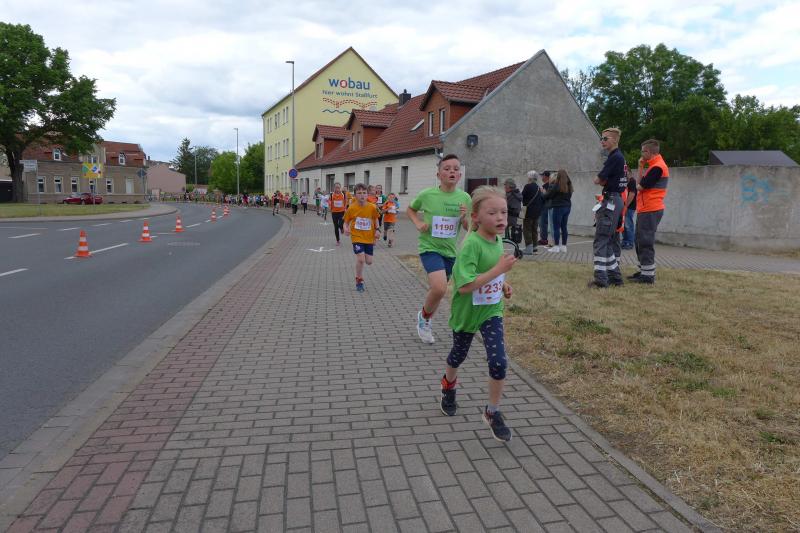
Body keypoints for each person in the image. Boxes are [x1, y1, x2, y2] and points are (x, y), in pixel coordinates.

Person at [439, 186, 517, 442]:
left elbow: (491, 271)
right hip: (467, 313)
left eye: (504, 212)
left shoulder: (497, 241)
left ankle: (492, 412)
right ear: (476, 217)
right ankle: (448, 386)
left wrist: (503, 284)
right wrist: (499, 271)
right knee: (458, 355)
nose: (500, 217)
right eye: (492, 213)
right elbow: (464, 286)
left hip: (491, 311)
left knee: (499, 361)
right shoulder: (471, 245)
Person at [407, 154, 471, 344]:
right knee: (440, 287)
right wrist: (418, 223)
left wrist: (464, 218)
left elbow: (469, 227)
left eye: (456, 169)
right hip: (429, 248)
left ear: (459, 175)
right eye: (447, 168)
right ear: (438, 174)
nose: (452, 171)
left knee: (438, 292)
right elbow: (411, 209)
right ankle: (424, 319)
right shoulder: (427, 194)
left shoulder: (465, 198)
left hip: (450, 252)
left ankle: (426, 317)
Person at [589, 128, 627, 288]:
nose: (602, 141)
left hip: (610, 201)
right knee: (608, 241)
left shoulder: (614, 157)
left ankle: (600, 280)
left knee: (600, 240)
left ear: (615, 140)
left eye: (606, 138)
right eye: (601, 138)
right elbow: (604, 180)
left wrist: (600, 179)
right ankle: (615, 278)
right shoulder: (619, 157)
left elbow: (599, 180)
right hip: (616, 200)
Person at [630, 139, 669, 284]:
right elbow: (640, 184)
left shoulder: (657, 167)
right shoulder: (653, 166)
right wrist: (641, 166)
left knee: (645, 241)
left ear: (648, 152)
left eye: (642, 151)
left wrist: (640, 170)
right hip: (646, 209)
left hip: (651, 209)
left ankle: (647, 276)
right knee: (639, 240)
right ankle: (643, 271)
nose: (641, 154)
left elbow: (640, 186)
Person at [343, 183, 381, 292]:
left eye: (364, 193)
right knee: (361, 259)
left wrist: (377, 230)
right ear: (355, 195)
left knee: (369, 261)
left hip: (369, 237)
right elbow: (346, 222)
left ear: (367, 194)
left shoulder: (372, 207)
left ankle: (359, 277)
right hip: (357, 237)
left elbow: (375, 219)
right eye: (359, 193)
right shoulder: (352, 208)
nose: (362, 195)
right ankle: (359, 280)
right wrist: (346, 229)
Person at [544, 169, 573, 253]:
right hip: (567, 207)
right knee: (564, 227)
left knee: (556, 227)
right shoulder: (569, 185)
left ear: (559, 176)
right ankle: (564, 246)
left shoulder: (557, 185)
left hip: (558, 207)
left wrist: (544, 193)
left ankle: (556, 246)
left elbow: (548, 195)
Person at [521, 171, 544, 255]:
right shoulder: (538, 187)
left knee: (527, 229)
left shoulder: (527, 186)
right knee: (534, 229)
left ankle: (529, 248)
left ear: (530, 178)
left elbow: (522, 196)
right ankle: (535, 247)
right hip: (537, 212)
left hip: (529, 211)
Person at [503, 178, 523, 243]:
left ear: (509, 186)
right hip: (515, 214)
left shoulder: (509, 195)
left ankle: (507, 237)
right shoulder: (517, 193)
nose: (504, 187)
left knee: (504, 222)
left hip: (510, 214)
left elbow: (505, 205)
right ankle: (510, 236)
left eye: (505, 185)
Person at [622, 170, 637, 249]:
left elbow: (632, 194)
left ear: (630, 173)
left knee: (628, 225)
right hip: (625, 207)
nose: (625, 174)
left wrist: (626, 206)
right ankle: (625, 241)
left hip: (629, 207)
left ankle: (630, 243)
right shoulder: (625, 182)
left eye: (626, 172)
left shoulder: (632, 181)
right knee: (624, 225)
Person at [538, 171, 553, 246]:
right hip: (544, 206)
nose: (541, 177)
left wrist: (542, 192)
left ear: (546, 176)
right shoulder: (546, 185)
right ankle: (543, 238)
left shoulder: (547, 186)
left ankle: (544, 239)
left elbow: (546, 197)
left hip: (545, 206)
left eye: (542, 175)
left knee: (543, 223)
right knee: (542, 223)